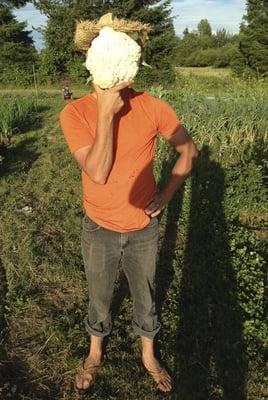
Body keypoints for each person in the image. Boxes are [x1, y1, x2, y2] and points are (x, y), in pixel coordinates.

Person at [60, 14, 199, 395]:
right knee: (100, 293)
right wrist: (107, 110)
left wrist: (167, 194)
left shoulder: (154, 107)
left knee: (146, 293)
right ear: (90, 55)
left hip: (143, 228)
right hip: (99, 226)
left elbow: (188, 151)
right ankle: (94, 352)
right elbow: (99, 173)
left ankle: (149, 355)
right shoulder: (75, 112)